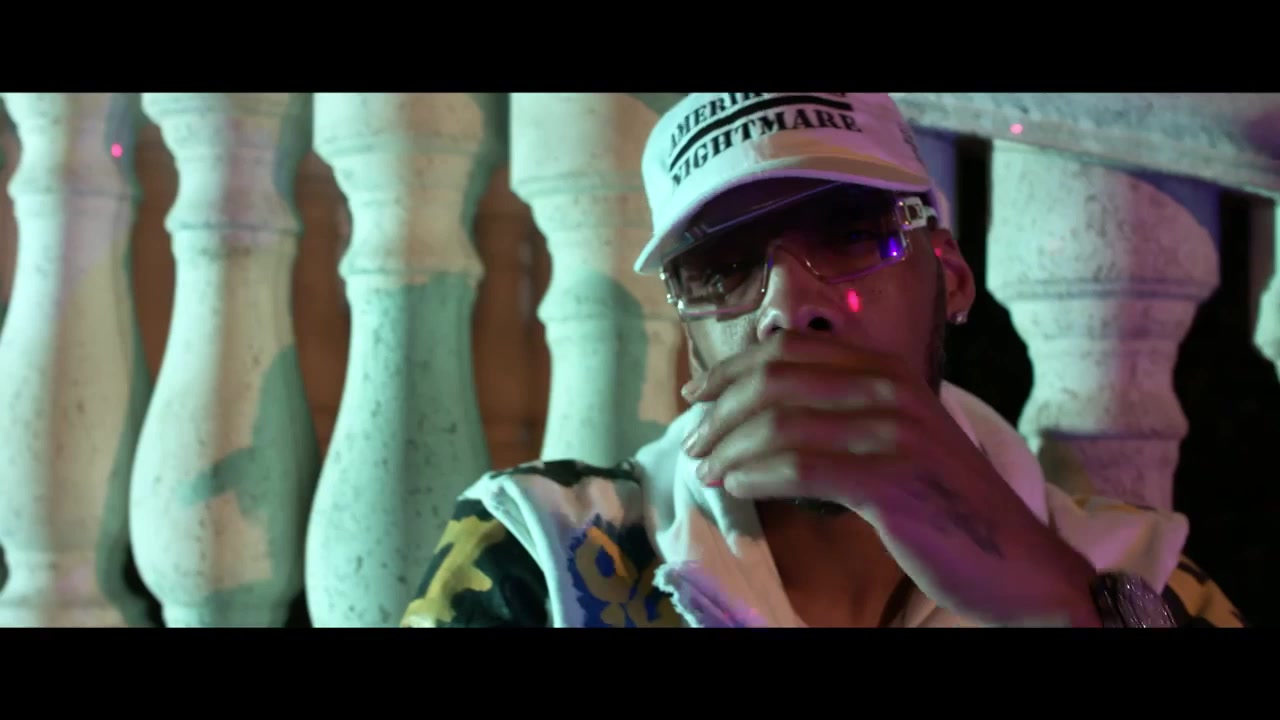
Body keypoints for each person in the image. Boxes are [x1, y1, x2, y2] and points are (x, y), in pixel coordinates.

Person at [400, 92, 1245, 628]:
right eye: (723, 267)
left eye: (848, 234)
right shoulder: (538, 554)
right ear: (691, 334)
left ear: (949, 276)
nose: (786, 304)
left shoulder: (1139, 572)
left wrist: (1050, 601)